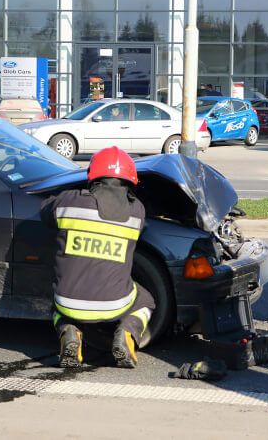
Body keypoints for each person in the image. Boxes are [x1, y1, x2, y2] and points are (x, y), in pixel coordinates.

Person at [40, 146, 155, 369]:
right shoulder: (137, 211)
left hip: (67, 301)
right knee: (146, 300)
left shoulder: (68, 201)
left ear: (93, 176)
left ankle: (68, 330)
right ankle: (127, 333)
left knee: (55, 298)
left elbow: (45, 212)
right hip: (115, 305)